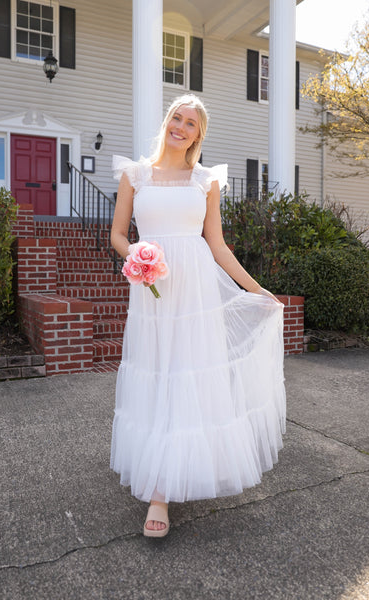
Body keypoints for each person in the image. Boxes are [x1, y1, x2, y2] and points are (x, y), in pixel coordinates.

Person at [110, 94, 285, 538]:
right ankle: (158, 490)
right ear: (166, 121)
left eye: (191, 124)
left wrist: (257, 289)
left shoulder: (205, 180)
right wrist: (136, 256)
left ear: (198, 136)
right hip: (153, 292)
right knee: (159, 374)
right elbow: (117, 233)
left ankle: (170, 481)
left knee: (188, 375)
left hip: (196, 295)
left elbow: (217, 244)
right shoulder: (135, 175)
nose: (181, 127)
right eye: (176, 118)